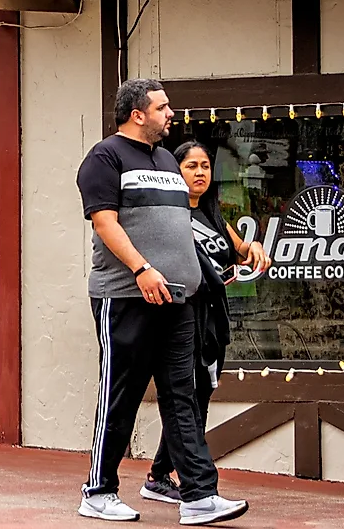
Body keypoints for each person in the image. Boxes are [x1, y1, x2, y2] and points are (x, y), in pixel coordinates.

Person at [77, 78, 247, 526]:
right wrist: (142, 268)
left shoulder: (168, 160)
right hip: (127, 297)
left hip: (179, 301)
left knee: (182, 395)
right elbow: (104, 223)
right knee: (121, 394)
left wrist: (233, 251)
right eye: (163, 107)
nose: (171, 114)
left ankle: (198, 495)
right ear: (138, 114)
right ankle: (98, 491)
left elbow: (185, 220)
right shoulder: (105, 157)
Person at [146, 137, 269, 508]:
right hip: (182, 319)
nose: (199, 173)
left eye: (204, 166)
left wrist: (255, 248)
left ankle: (158, 476)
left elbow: (240, 251)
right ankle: (192, 484)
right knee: (187, 399)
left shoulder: (213, 212)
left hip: (213, 320)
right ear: (174, 172)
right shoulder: (171, 216)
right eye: (190, 166)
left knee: (200, 397)